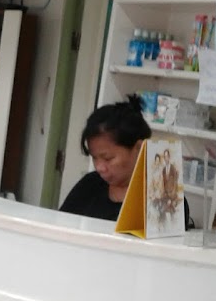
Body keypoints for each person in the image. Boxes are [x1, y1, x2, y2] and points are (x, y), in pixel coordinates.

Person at [60, 96, 190, 228]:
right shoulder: (89, 185)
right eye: (94, 158)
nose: (99, 167)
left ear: (138, 148)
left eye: (108, 158)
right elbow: (60, 225)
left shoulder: (165, 196)